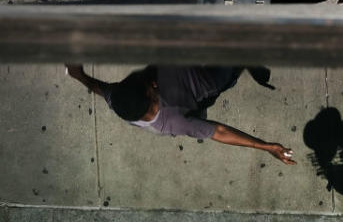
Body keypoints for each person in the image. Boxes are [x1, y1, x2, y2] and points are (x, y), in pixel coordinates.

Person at [65, 64, 296, 165]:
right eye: (149, 86)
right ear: (152, 95)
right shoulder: (173, 121)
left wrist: (79, 75)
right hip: (212, 78)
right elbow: (221, 132)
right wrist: (267, 147)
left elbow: (100, 88)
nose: (150, 81)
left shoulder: (120, 99)